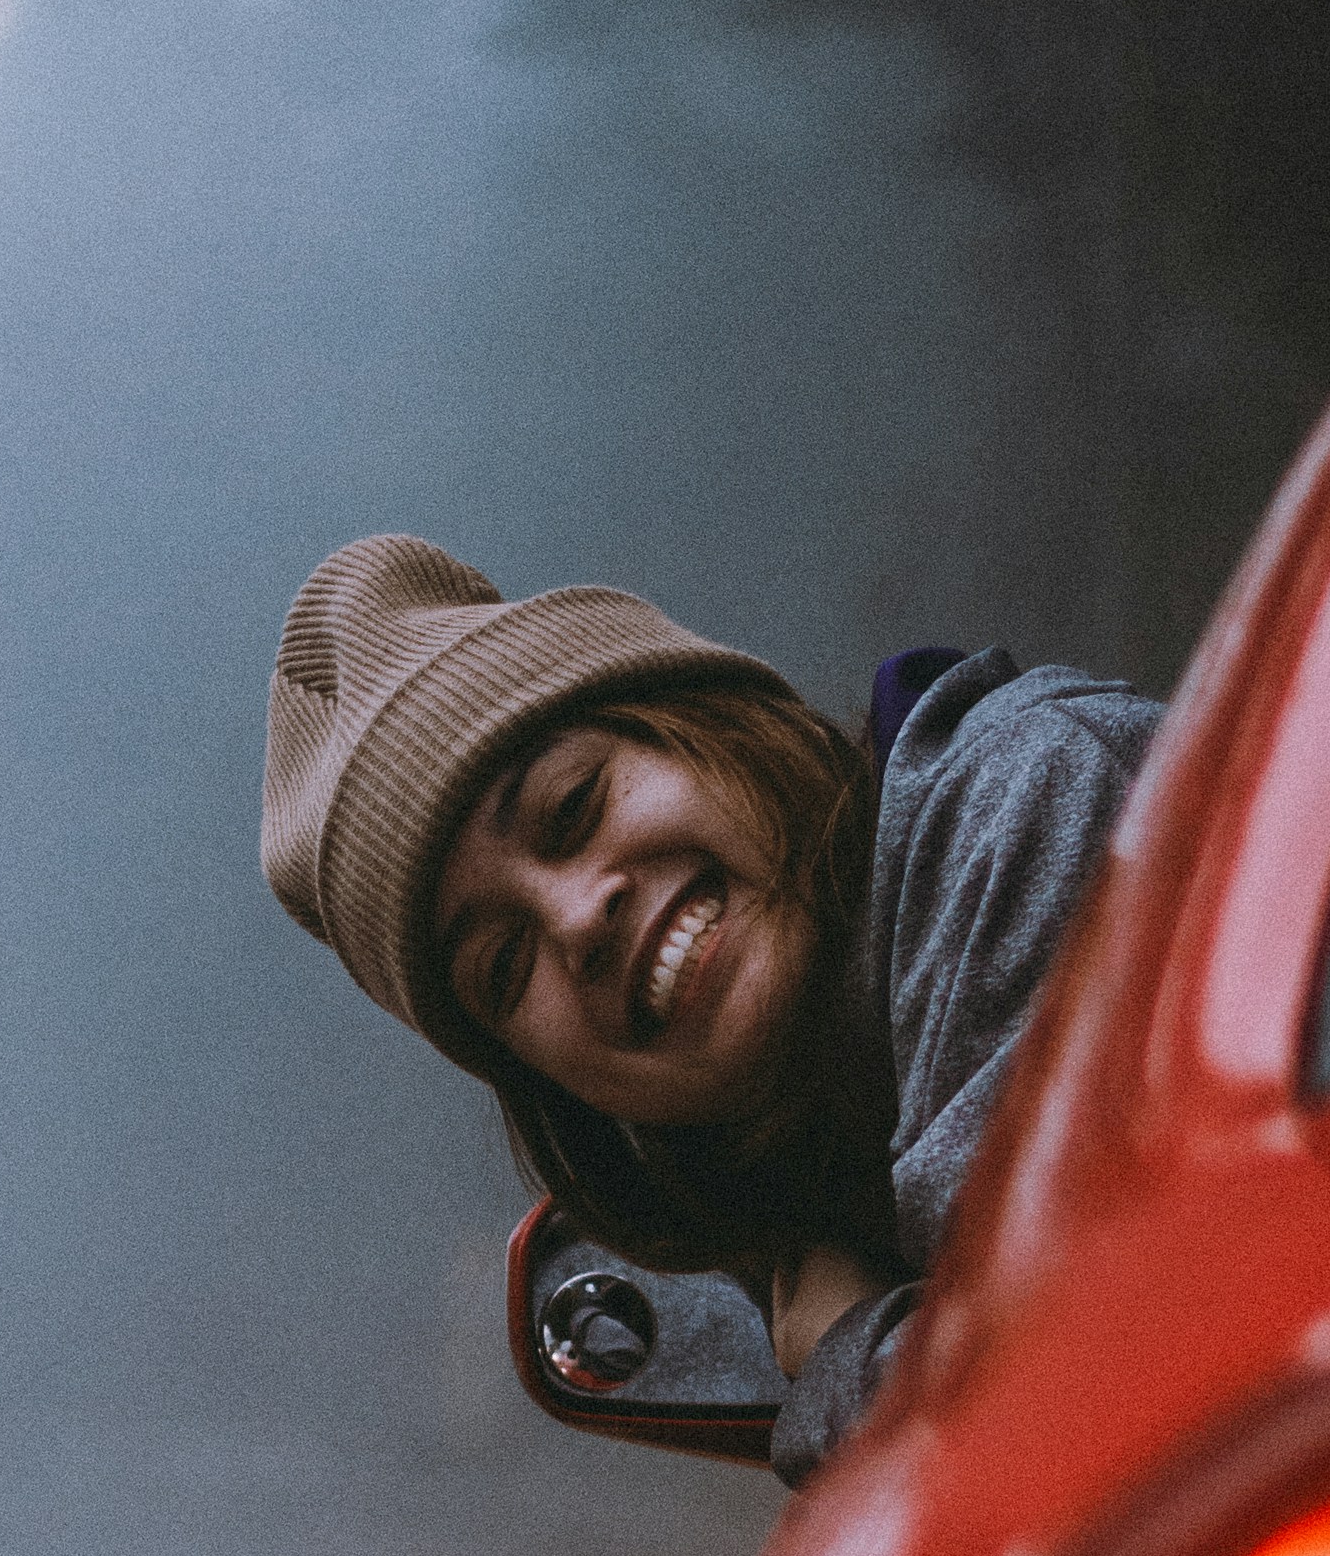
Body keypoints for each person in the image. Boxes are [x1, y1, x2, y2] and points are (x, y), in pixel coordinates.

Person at [261, 535, 1155, 1477]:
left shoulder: (1028, 800)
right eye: (503, 964)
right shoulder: (832, 1125)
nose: (576, 920)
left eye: (573, 806)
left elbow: (1105, 1423)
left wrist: (852, 1352)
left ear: (709, 723)